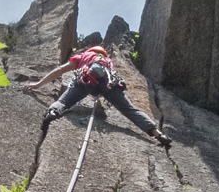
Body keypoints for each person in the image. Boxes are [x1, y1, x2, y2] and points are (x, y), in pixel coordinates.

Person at [21, 44, 171, 150]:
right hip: (109, 85)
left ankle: (53, 113)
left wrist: (38, 84)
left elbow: (60, 70)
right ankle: (157, 134)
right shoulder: (107, 62)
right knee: (130, 110)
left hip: (85, 80)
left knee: (64, 101)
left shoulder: (83, 56)